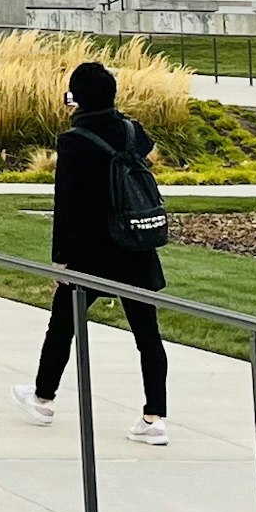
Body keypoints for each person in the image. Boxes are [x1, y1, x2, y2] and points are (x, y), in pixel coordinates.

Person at [21, 59, 168, 446]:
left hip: (91, 252)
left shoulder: (74, 142)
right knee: (147, 334)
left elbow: (67, 204)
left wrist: (61, 258)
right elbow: (142, 155)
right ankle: (154, 417)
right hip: (135, 244)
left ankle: (43, 399)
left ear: (76, 98)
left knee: (63, 326)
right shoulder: (132, 132)